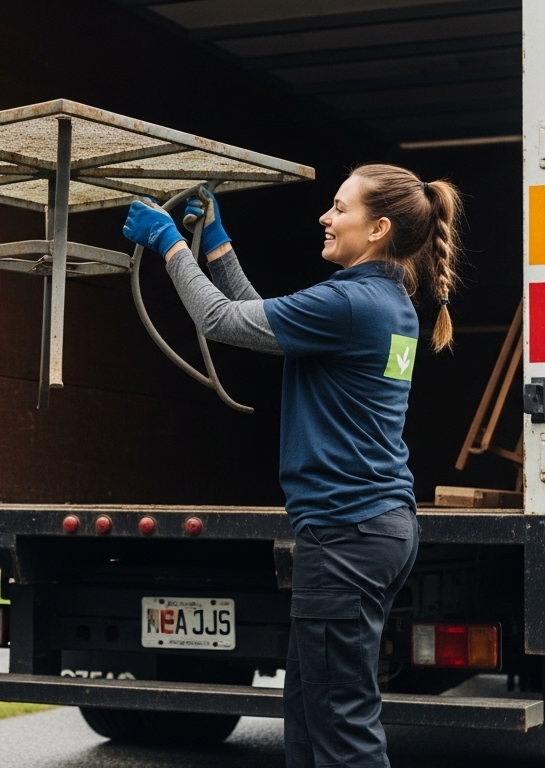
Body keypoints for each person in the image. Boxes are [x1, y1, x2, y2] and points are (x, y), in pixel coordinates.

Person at [123, 164, 461, 767]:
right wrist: (217, 246)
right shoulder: (384, 302)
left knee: (341, 728)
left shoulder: (350, 303)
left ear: (378, 229)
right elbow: (258, 317)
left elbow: (219, 321)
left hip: (346, 534)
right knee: (308, 717)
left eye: (340, 208)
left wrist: (169, 244)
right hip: (370, 528)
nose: (325, 217)